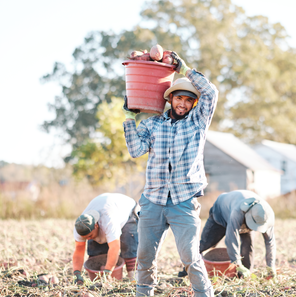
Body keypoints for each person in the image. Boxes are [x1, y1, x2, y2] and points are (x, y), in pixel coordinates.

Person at [123, 52, 218, 297]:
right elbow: (135, 150)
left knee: (189, 256)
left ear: (193, 104)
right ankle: (144, 294)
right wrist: (129, 118)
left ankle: (204, 294)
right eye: (179, 98)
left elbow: (212, 93)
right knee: (145, 257)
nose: (183, 104)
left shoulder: (197, 122)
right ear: (171, 99)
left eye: (188, 100)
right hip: (152, 199)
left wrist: (185, 70)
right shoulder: (152, 124)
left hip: (183, 200)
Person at [178, 190, 276, 278]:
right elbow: (231, 239)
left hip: (241, 215)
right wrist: (238, 264)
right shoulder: (237, 212)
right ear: (248, 216)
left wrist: (271, 267)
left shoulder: (266, 216)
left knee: (248, 245)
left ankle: (245, 276)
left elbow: (270, 242)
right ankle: (187, 270)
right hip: (220, 213)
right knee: (206, 243)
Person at [72, 193, 140, 285]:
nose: (87, 239)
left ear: (96, 225)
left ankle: (133, 280)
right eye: (85, 237)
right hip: (104, 205)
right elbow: (79, 251)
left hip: (127, 210)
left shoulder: (108, 221)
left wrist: (107, 271)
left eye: (89, 236)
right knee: (96, 252)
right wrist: (77, 273)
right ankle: (99, 280)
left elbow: (115, 248)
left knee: (128, 246)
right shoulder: (80, 227)